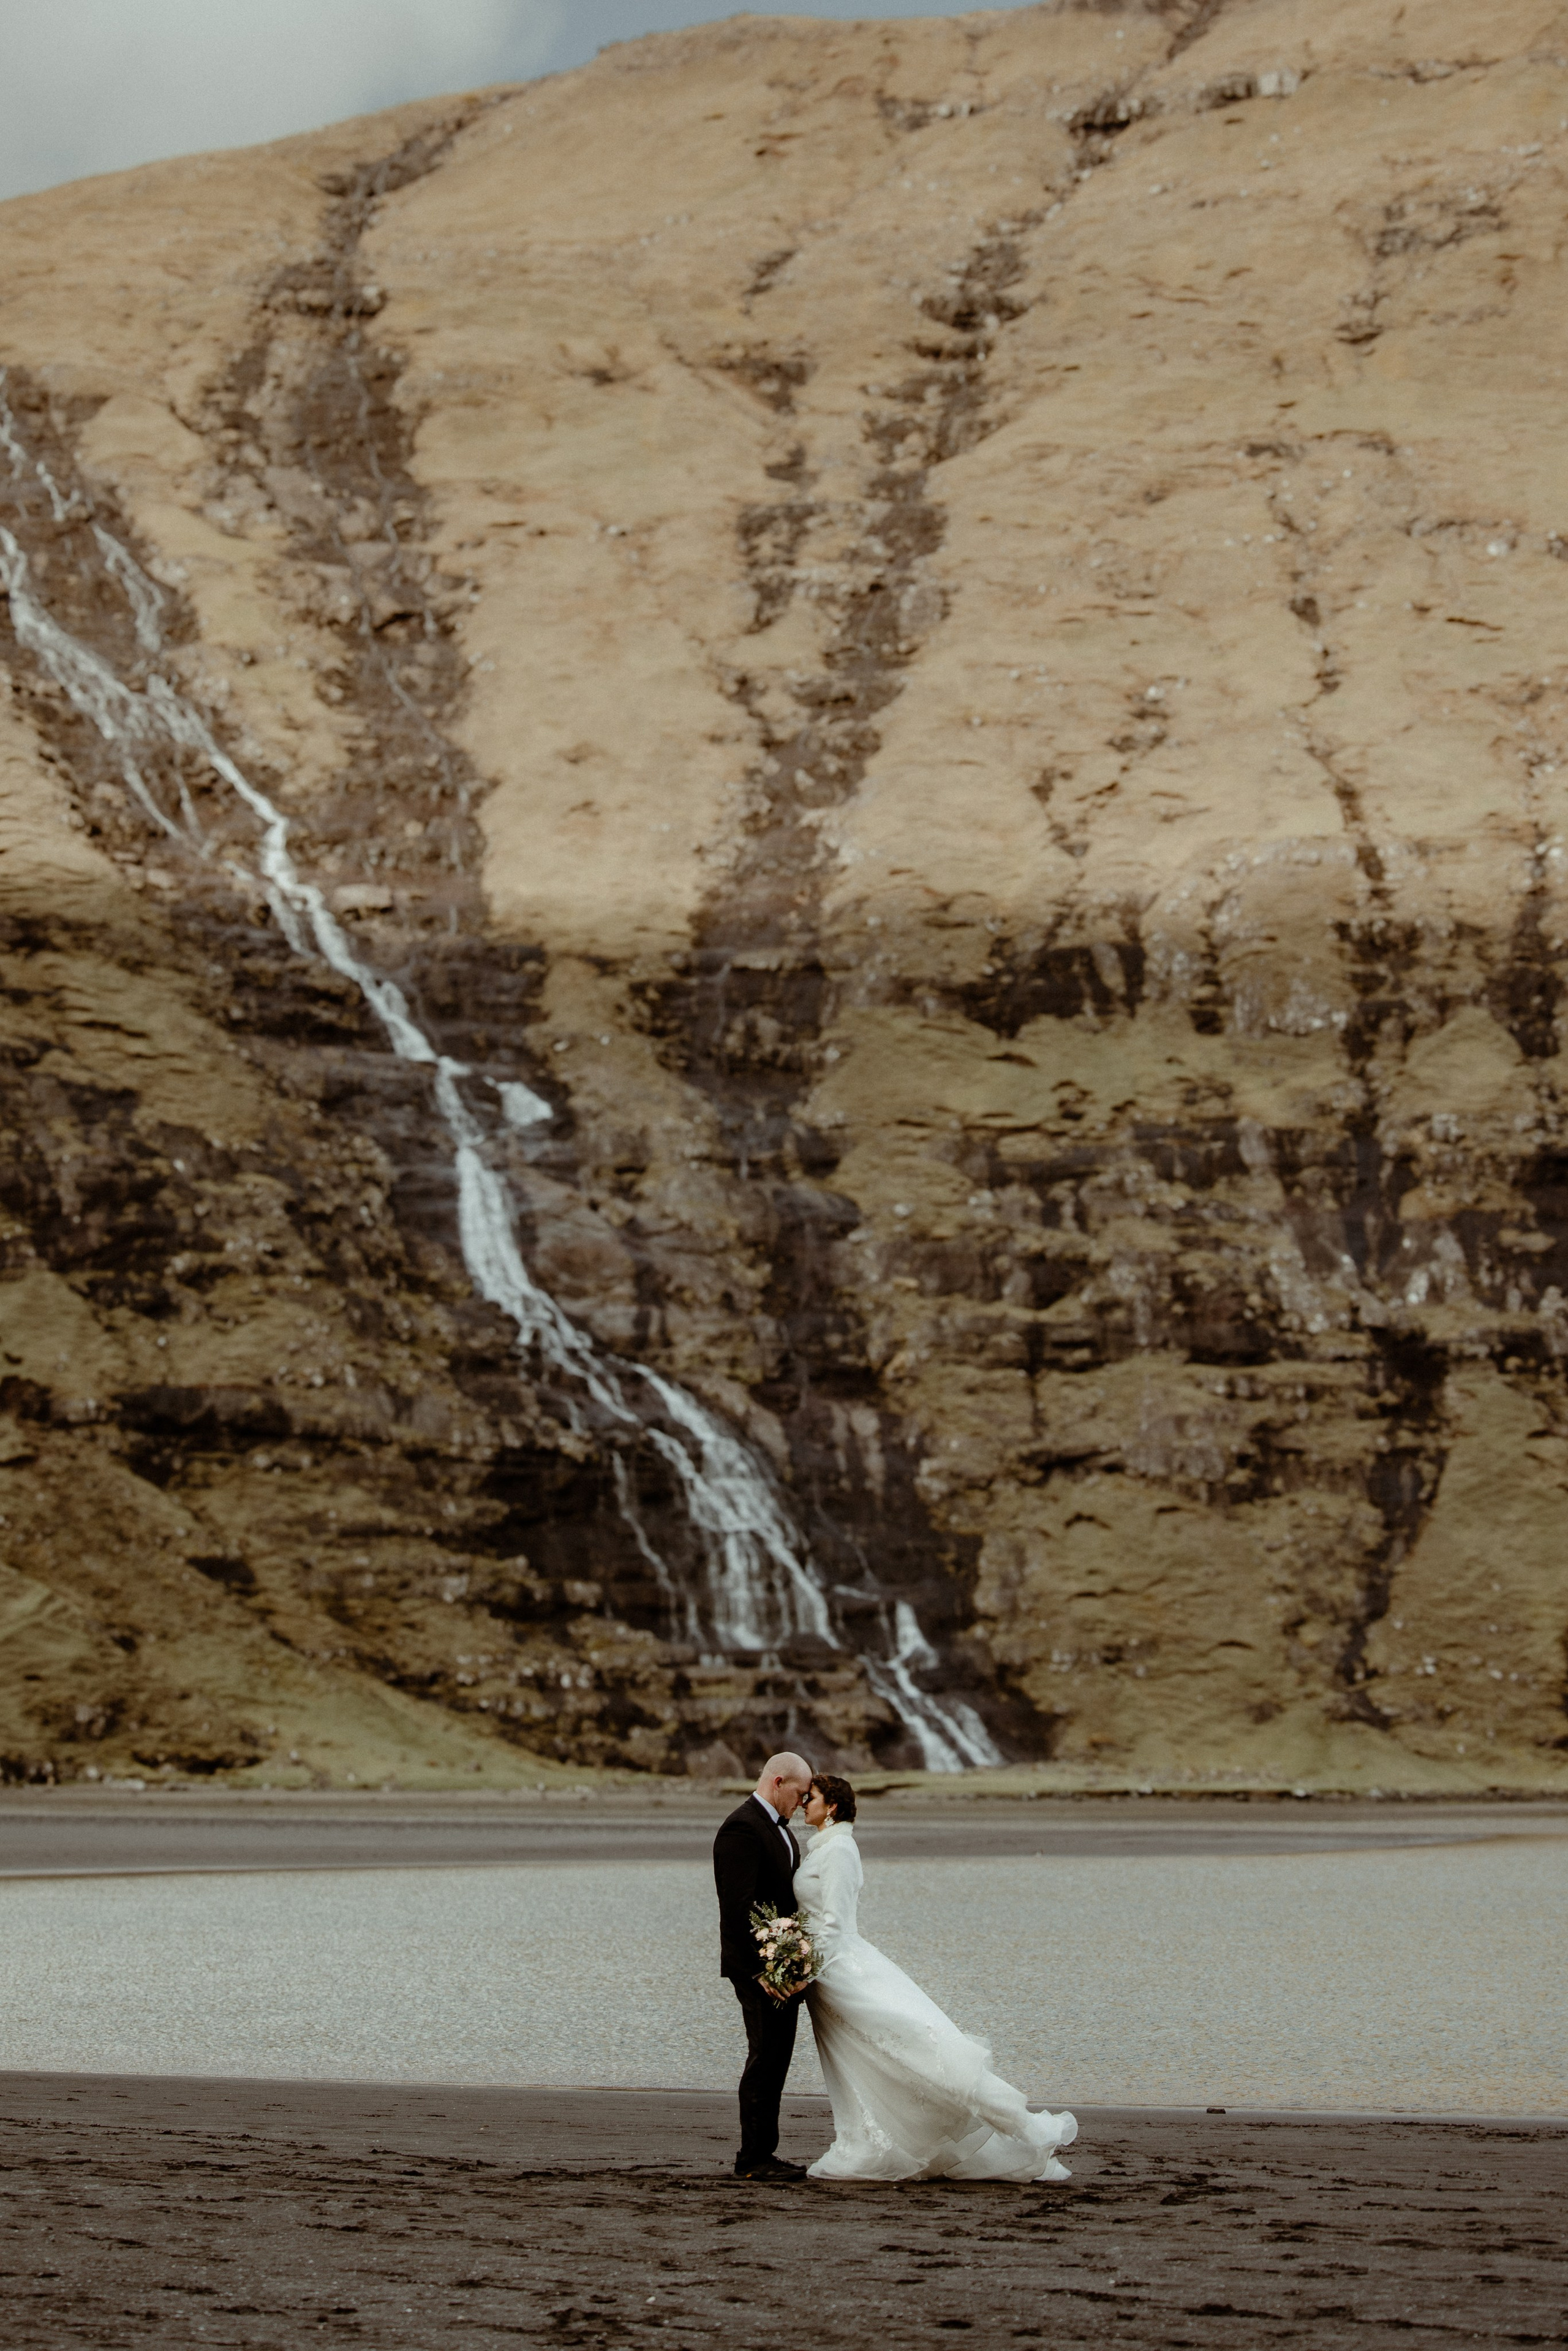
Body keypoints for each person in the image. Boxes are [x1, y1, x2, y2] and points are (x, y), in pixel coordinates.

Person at [794, 1771, 1078, 2182]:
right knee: (861, 2058)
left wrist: (800, 1967)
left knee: (912, 2049)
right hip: (829, 1973)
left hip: (842, 1969)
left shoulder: (839, 1850)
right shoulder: (825, 1847)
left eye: (812, 1797)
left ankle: (1022, 2127)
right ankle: (865, 2140)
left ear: (832, 1806)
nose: (805, 1803)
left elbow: (835, 1924)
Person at [712, 1750, 814, 2181]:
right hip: (756, 1970)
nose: (804, 1802)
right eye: (800, 1793)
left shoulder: (782, 1832)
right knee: (765, 2057)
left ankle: (762, 2153)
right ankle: (753, 2157)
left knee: (777, 2058)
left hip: (780, 1966)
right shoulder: (742, 1828)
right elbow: (737, 1909)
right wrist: (761, 1971)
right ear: (778, 1782)